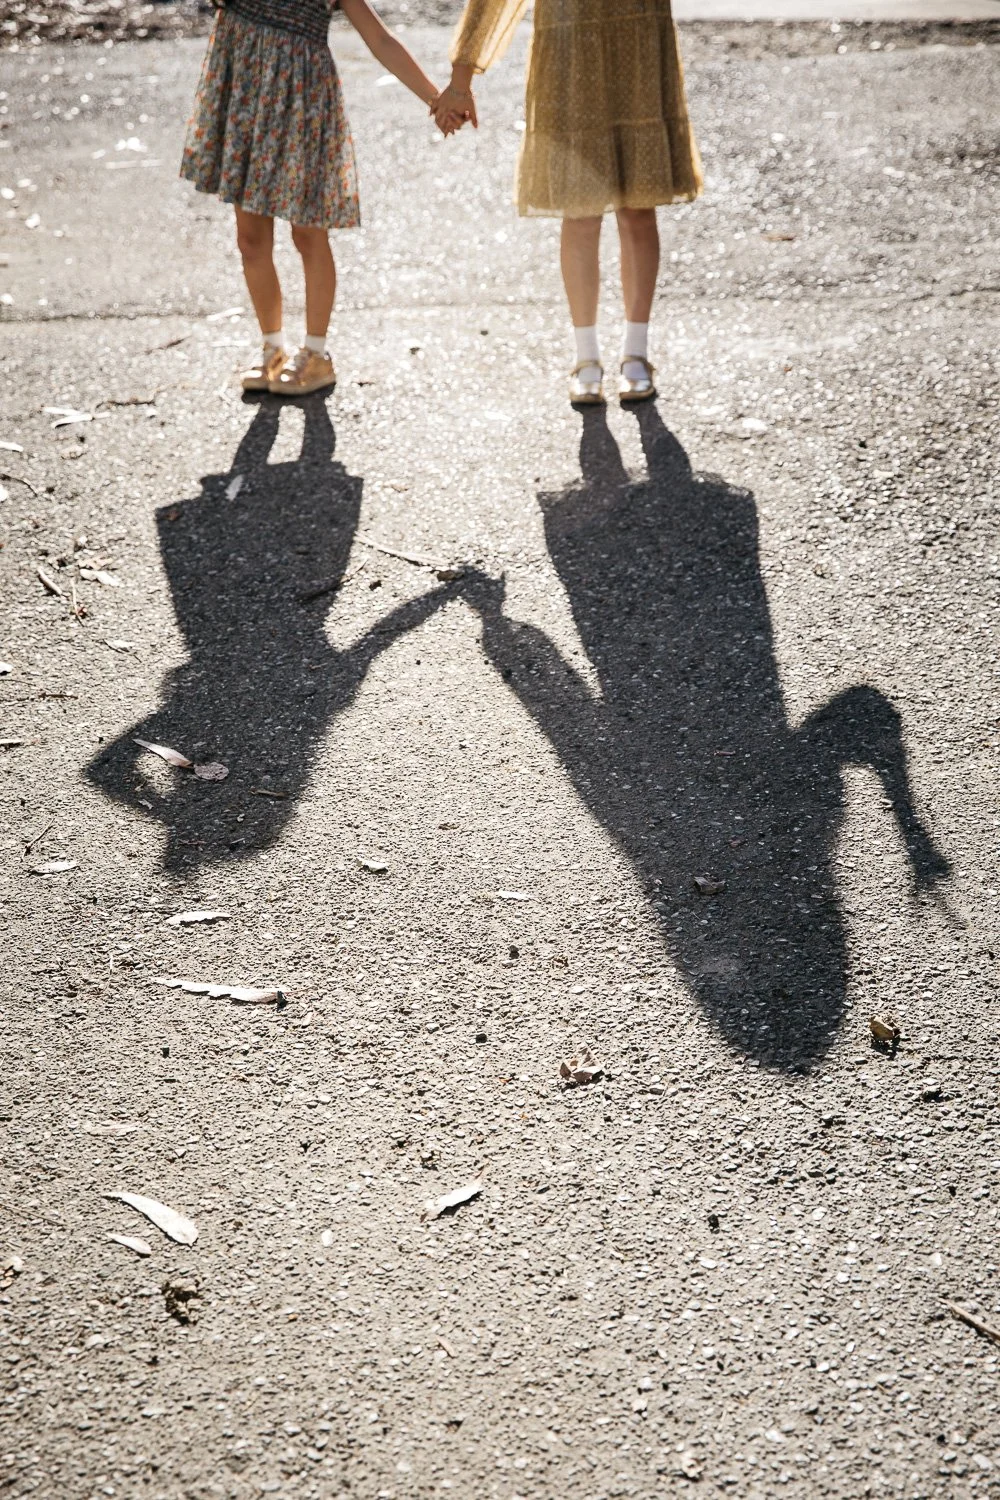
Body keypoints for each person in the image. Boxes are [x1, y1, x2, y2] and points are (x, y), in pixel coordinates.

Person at [436, 0, 702, 405]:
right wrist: (461, 77)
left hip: (639, 36)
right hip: (569, 43)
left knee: (638, 207)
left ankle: (637, 354)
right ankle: (586, 358)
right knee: (579, 209)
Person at [181, 0, 447, 396]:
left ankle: (317, 354)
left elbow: (379, 38)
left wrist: (436, 99)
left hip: (301, 99)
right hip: (244, 91)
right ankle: (272, 347)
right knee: (250, 239)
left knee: (308, 234)